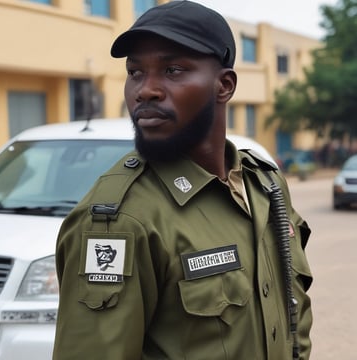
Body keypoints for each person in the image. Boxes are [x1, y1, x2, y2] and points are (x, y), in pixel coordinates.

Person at [53, 1, 313, 359]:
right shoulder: (121, 221)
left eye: (173, 70)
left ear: (224, 85)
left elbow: (293, 313)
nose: (145, 90)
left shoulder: (264, 185)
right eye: (135, 73)